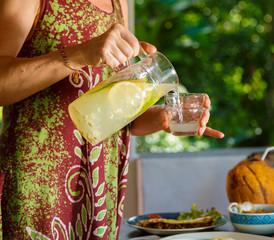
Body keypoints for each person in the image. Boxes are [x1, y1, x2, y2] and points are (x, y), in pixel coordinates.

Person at [0, 0, 224, 238]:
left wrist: (161, 118)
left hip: (99, 188)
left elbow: (113, 115)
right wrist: (81, 53)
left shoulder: (119, 4)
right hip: (37, 185)